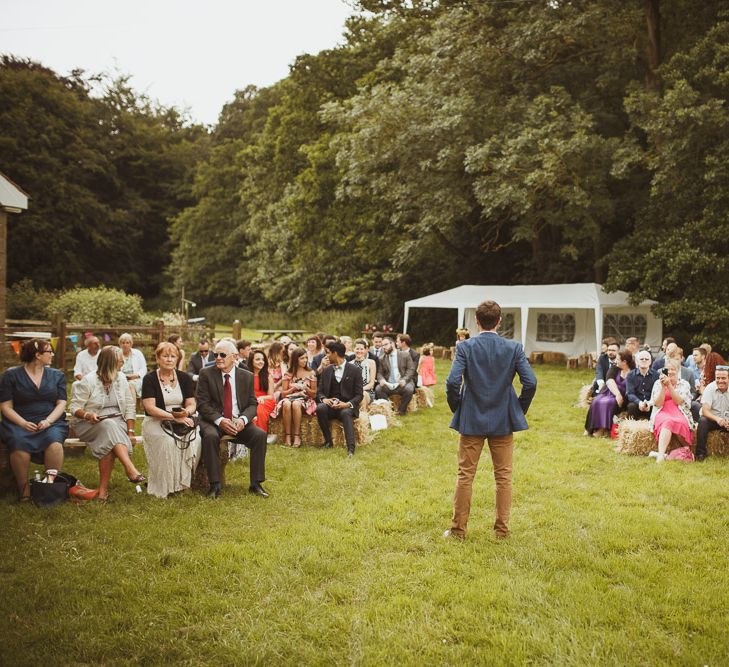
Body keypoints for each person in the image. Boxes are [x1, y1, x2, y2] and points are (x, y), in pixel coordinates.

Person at [445, 300, 536, 540]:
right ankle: (502, 531)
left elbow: (453, 382)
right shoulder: (513, 348)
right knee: (503, 477)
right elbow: (531, 383)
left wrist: (459, 407)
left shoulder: (465, 347)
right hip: (502, 419)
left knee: (465, 475)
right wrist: (518, 409)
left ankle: (458, 531)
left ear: (476, 321)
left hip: (472, 417)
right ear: (499, 321)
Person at [196, 339, 269, 499]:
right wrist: (220, 420)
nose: (218, 358)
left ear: (234, 357)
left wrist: (243, 420)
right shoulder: (206, 374)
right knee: (210, 436)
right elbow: (202, 404)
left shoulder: (246, 376)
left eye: (222, 354)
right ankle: (215, 485)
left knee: (259, 435)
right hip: (213, 421)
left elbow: (252, 404)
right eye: (215, 355)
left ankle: (255, 484)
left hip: (237, 422)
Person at [70, 346, 144, 501]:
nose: (122, 365)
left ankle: (102, 492)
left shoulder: (121, 378)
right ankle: (130, 468)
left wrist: (130, 431)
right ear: (110, 363)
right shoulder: (88, 381)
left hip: (116, 423)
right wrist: (88, 414)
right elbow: (74, 408)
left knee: (109, 437)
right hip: (89, 424)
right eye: (119, 363)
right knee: (109, 426)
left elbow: (130, 406)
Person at [0, 339, 67, 501]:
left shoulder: (57, 375)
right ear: (37, 355)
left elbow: (62, 403)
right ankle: (24, 491)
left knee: (54, 442)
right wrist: (22, 423)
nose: (52, 354)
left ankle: (49, 486)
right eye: (49, 352)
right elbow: (5, 407)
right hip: (20, 421)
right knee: (18, 441)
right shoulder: (11, 375)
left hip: (50, 421)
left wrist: (49, 421)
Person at [141, 341, 201, 498]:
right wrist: (174, 418)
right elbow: (150, 408)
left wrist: (186, 414)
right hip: (156, 421)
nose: (169, 359)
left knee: (195, 439)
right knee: (167, 442)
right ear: (158, 359)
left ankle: (184, 483)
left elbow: (191, 403)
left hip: (180, 419)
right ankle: (166, 486)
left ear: (177, 359)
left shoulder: (184, 378)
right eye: (165, 356)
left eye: (172, 356)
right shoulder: (149, 379)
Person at [315, 341, 363, 457]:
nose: (326, 356)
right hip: (330, 406)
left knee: (346, 413)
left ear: (335, 353)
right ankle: (328, 442)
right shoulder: (327, 370)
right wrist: (324, 399)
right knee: (320, 408)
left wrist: (347, 404)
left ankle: (351, 448)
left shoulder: (355, 370)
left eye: (328, 353)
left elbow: (359, 395)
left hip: (346, 406)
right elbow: (319, 392)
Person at [649, 358, 693, 463]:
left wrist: (669, 385)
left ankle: (663, 455)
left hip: (679, 410)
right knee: (667, 421)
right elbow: (658, 403)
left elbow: (678, 401)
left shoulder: (684, 384)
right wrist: (663, 387)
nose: (670, 371)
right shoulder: (657, 383)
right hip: (662, 410)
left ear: (678, 371)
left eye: (673, 369)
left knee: (678, 422)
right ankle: (660, 456)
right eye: (667, 369)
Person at [274, 347, 317, 447]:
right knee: (287, 403)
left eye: (306, 358)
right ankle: (288, 436)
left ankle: (297, 436)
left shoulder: (311, 373)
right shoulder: (288, 374)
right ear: (295, 359)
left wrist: (305, 388)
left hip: (305, 400)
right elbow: (284, 394)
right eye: (302, 358)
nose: (305, 360)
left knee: (296, 404)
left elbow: (314, 394)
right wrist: (293, 389)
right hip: (289, 398)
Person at [584, 350, 634, 437]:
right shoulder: (614, 368)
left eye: (618, 359)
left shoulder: (633, 372)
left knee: (609, 403)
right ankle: (589, 429)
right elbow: (609, 381)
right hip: (610, 392)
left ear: (624, 362)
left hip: (623, 397)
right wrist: (617, 394)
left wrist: (620, 396)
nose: (615, 361)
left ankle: (601, 429)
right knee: (596, 401)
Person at [374, 336, 417, 415]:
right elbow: (379, 373)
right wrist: (381, 380)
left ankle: (401, 411)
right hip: (389, 384)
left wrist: (405, 379)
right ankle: (390, 409)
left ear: (392, 344)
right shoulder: (381, 358)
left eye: (386, 344)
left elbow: (411, 369)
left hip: (402, 383)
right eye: (382, 346)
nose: (384, 347)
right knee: (378, 389)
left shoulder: (405, 355)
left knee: (409, 389)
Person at [695, 365, 729, 462]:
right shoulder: (710, 388)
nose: (720, 381)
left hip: (727, 420)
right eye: (718, 378)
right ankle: (700, 453)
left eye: (723, 378)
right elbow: (705, 410)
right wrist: (718, 419)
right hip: (713, 419)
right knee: (703, 421)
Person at [248, 349, 277, 433]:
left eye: (263, 359)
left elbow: (271, 395)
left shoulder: (268, 376)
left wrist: (261, 397)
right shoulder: (246, 375)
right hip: (251, 399)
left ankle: (261, 434)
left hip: (265, 400)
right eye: (257, 359)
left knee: (259, 409)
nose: (261, 362)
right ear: (251, 361)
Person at [625, 350, 657, 420]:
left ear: (650, 361)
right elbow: (630, 393)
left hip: (650, 403)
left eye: (647, 359)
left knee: (657, 408)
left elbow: (657, 393)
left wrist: (649, 403)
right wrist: (639, 402)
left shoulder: (656, 375)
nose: (644, 360)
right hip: (636, 403)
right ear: (637, 361)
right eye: (641, 359)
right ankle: (632, 428)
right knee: (631, 407)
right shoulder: (630, 375)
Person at [118, 333, 147, 400]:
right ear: (120, 344)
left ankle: (131, 409)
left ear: (131, 344)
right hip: (121, 379)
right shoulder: (117, 354)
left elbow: (143, 368)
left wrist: (135, 376)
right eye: (123, 343)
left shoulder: (137, 353)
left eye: (127, 343)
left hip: (136, 379)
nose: (125, 345)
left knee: (130, 385)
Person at [352, 338, 377, 409]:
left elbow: (371, 384)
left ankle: (363, 415)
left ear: (365, 350)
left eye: (361, 349)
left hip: (367, 392)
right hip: (353, 392)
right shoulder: (349, 364)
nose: (359, 351)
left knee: (362, 394)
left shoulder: (371, 362)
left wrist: (359, 390)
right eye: (357, 349)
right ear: (353, 349)